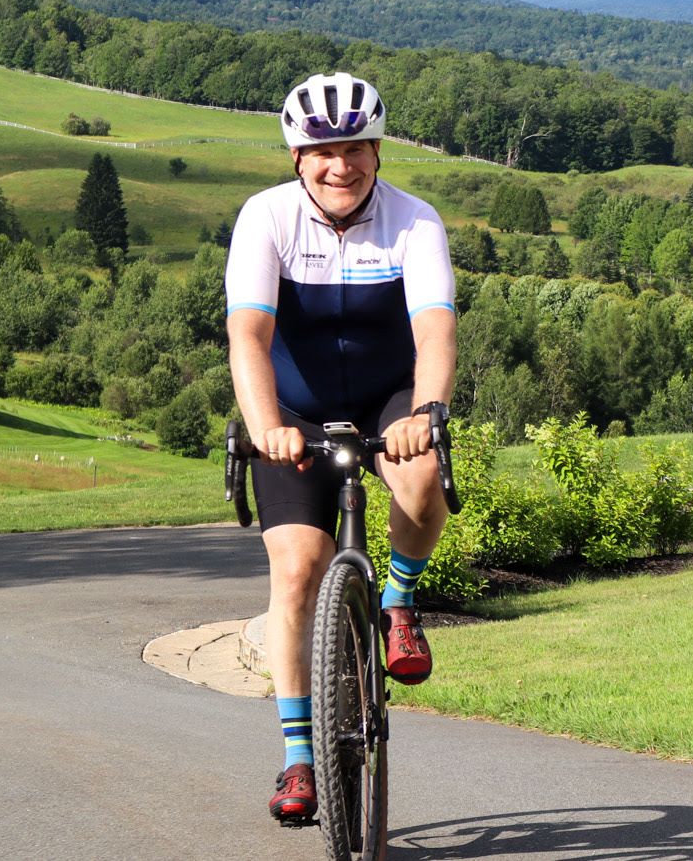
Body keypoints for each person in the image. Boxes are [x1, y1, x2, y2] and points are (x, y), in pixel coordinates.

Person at [223, 71, 457, 826]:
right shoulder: (266, 219)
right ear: (297, 156)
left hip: (389, 399)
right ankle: (299, 755)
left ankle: (397, 602)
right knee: (296, 570)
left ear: (377, 150)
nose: (340, 165)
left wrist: (425, 409)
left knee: (421, 480)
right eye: (323, 151)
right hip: (293, 412)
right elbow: (249, 335)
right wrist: (265, 423)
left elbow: (435, 331)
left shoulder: (415, 222)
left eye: (354, 147)